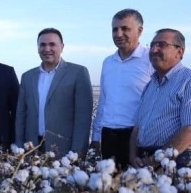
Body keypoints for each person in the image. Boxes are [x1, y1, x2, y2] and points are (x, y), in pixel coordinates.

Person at [15, 28, 93, 157]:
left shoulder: (78, 73)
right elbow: (21, 114)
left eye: (52, 44)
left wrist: (77, 152)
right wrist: (19, 147)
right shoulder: (27, 77)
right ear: (37, 48)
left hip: (64, 150)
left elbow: (83, 118)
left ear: (62, 47)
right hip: (32, 148)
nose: (47, 49)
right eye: (43, 45)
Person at [91, 9, 153, 169]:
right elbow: (104, 100)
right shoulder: (108, 62)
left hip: (139, 138)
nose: (119, 34)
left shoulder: (151, 60)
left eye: (125, 29)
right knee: (109, 188)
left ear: (140, 31)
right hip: (109, 136)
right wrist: (96, 136)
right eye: (115, 29)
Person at [130, 29, 191, 168]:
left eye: (162, 45)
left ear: (179, 52)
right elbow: (137, 127)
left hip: (176, 161)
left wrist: (157, 160)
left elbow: (189, 130)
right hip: (144, 160)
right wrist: (133, 157)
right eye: (152, 45)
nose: (154, 49)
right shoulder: (150, 85)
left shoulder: (188, 81)